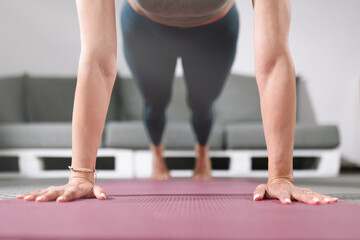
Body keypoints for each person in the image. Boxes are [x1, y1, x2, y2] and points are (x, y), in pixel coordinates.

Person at [17, 0, 338, 205]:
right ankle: (158, 153)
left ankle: (202, 152)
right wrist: (81, 176)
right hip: (143, 27)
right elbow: (98, 64)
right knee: (155, 103)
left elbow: (273, 62)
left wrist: (280, 176)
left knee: (202, 104)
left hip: (216, 28)